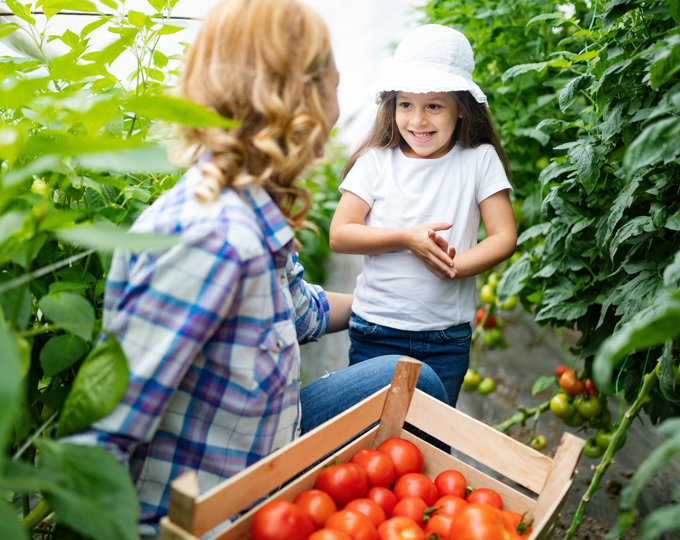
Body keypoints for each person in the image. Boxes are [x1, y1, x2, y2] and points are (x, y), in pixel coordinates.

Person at [64, 1, 447, 537]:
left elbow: (300, 312)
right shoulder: (214, 239)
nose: (341, 108)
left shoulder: (252, 209)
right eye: (333, 84)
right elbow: (103, 438)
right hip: (211, 509)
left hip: (261, 451)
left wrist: (393, 304)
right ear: (298, 96)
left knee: (413, 379)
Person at [329, 23, 517, 407]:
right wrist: (406, 238)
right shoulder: (376, 163)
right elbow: (341, 234)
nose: (417, 120)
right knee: (367, 440)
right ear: (392, 106)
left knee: (428, 445)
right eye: (406, 104)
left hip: (446, 337)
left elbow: (503, 236)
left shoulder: (479, 161)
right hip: (376, 329)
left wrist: (457, 266)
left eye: (434, 105)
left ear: (462, 110)